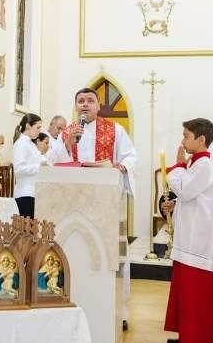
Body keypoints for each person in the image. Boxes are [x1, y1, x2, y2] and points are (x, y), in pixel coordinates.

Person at [60, 87, 137, 329]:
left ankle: (118, 309)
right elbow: (53, 161)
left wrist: (122, 167)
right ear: (76, 106)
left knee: (111, 253)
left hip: (105, 201)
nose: (85, 104)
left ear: (98, 105)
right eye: (80, 101)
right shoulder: (67, 132)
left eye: (90, 100)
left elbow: (130, 155)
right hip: (73, 201)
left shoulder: (115, 129)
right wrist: (67, 144)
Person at [162, 118, 213, 343]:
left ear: (201, 139)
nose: (183, 141)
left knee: (195, 294)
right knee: (187, 295)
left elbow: (186, 190)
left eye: (186, 136)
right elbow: (195, 198)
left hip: (198, 242)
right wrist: (176, 205)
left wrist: (178, 166)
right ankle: (188, 336)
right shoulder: (195, 164)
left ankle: (197, 337)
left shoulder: (204, 164)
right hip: (189, 239)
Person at [12, 113, 43, 218]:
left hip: (33, 192)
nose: (39, 131)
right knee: (26, 227)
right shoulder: (21, 143)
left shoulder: (31, 144)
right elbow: (19, 169)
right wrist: (39, 167)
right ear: (28, 126)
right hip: (25, 193)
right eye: (37, 127)